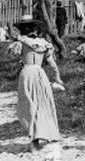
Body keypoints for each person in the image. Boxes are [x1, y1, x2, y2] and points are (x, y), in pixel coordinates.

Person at [9, 18, 65, 152]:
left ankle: (34, 139)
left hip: (27, 73)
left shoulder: (21, 42)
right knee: (43, 102)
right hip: (40, 73)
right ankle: (46, 133)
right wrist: (57, 77)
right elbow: (52, 64)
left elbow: (12, 56)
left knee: (29, 103)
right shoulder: (44, 44)